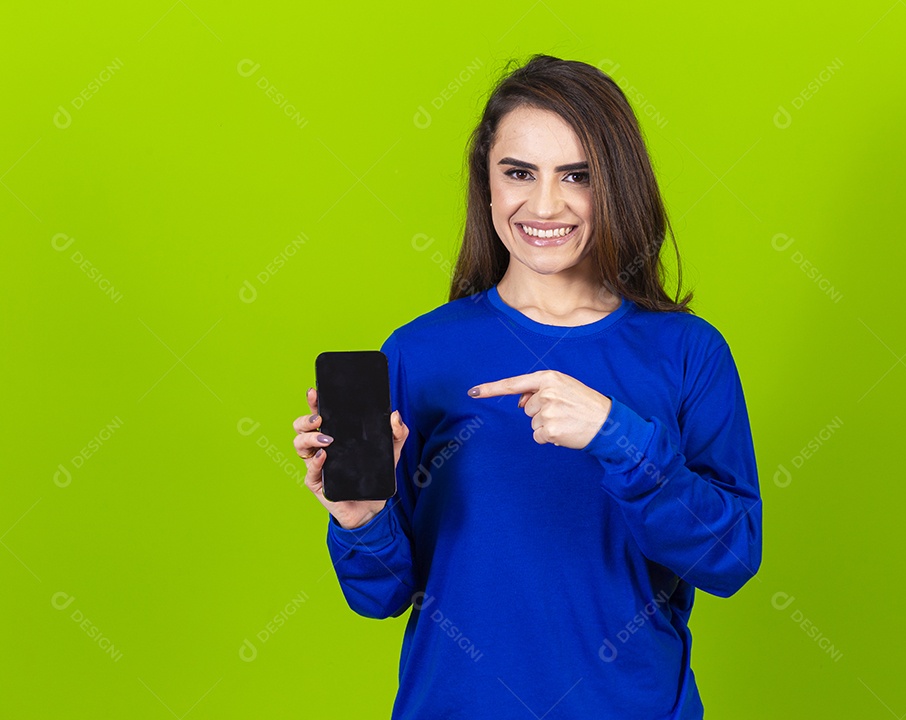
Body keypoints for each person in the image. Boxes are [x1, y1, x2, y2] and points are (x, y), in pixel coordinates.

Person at [292, 54, 762, 719]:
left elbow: (729, 559)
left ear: (617, 185)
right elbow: (381, 596)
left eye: (577, 175)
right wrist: (361, 518)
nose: (544, 205)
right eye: (519, 173)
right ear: (486, 185)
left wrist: (617, 436)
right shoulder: (421, 352)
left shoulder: (687, 351)